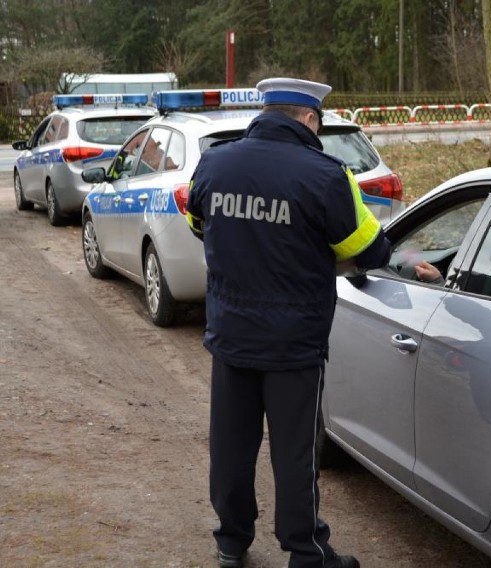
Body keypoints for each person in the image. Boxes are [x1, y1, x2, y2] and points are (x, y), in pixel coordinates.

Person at [185, 77, 391, 568]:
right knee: (295, 454)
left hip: (231, 334)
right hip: (294, 344)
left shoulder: (215, 162)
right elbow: (367, 249)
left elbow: (198, 223)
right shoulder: (325, 175)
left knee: (231, 448)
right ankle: (305, 551)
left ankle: (231, 542)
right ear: (309, 118)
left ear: (266, 111)